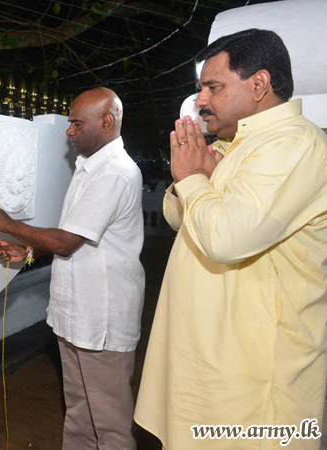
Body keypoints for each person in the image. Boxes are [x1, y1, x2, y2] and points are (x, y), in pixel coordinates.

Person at [134, 29, 327, 449]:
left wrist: (193, 178)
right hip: (212, 363)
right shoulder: (240, 145)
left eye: (213, 86)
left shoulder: (294, 143)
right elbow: (178, 216)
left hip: (252, 381)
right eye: (201, 87)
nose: (201, 100)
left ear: (259, 84)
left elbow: (225, 237)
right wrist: (196, 180)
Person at [0, 87, 145, 450]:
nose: (68, 131)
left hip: (101, 320)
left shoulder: (116, 173)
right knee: (79, 413)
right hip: (74, 315)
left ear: (107, 122)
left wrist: (7, 223)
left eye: (76, 123)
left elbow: (67, 242)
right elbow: (77, 240)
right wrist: (28, 250)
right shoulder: (89, 168)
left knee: (110, 424)